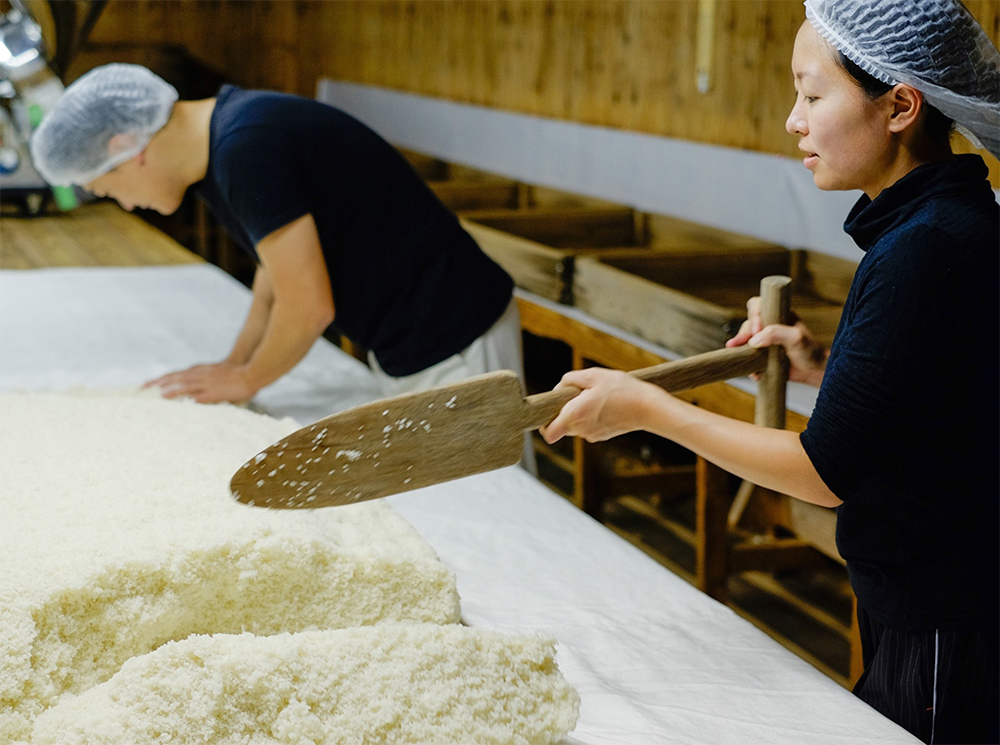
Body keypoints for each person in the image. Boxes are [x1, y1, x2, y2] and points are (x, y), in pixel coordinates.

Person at [541, 1, 999, 742]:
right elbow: (943, 393)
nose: (794, 119)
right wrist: (826, 368)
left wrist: (648, 408)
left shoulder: (923, 250)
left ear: (900, 106)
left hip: (948, 616)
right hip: (933, 601)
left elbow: (822, 471)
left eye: (813, 95)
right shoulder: (949, 220)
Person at [28, 64, 522, 408]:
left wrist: (246, 379)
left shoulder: (246, 149)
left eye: (108, 188)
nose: (125, 202)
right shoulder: (221, 146)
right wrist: (235, 362)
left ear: (127, 147)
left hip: (454, 333)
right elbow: (278, 271)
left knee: (496, 507)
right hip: (411, 335)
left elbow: (308, 307)